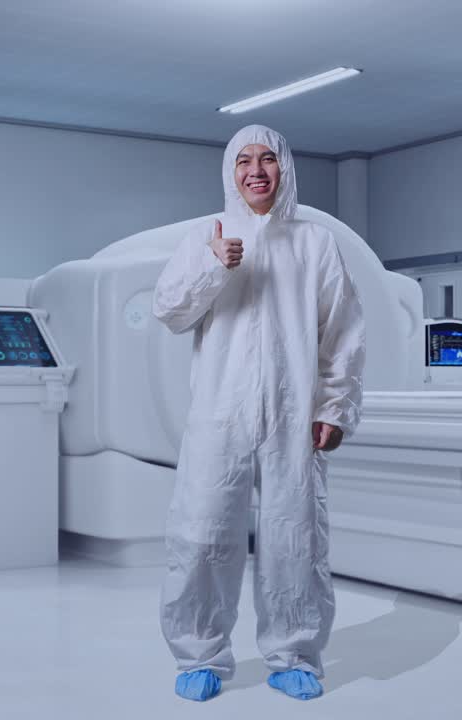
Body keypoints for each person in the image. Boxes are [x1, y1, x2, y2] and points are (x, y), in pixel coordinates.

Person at [151, 125, 366, 702]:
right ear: (229, 171)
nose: (255, 170)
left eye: (267, 159)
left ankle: (294, 654)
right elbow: (169, 311)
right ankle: (198, 654)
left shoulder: (314, 243)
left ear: (285, 167)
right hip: (219, 413)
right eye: (243, 160)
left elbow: (341, 332)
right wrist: (214, 266)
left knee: (295, 535)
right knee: (202, 533)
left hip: (293, 414)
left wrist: (335, 406)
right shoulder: (207, 235)